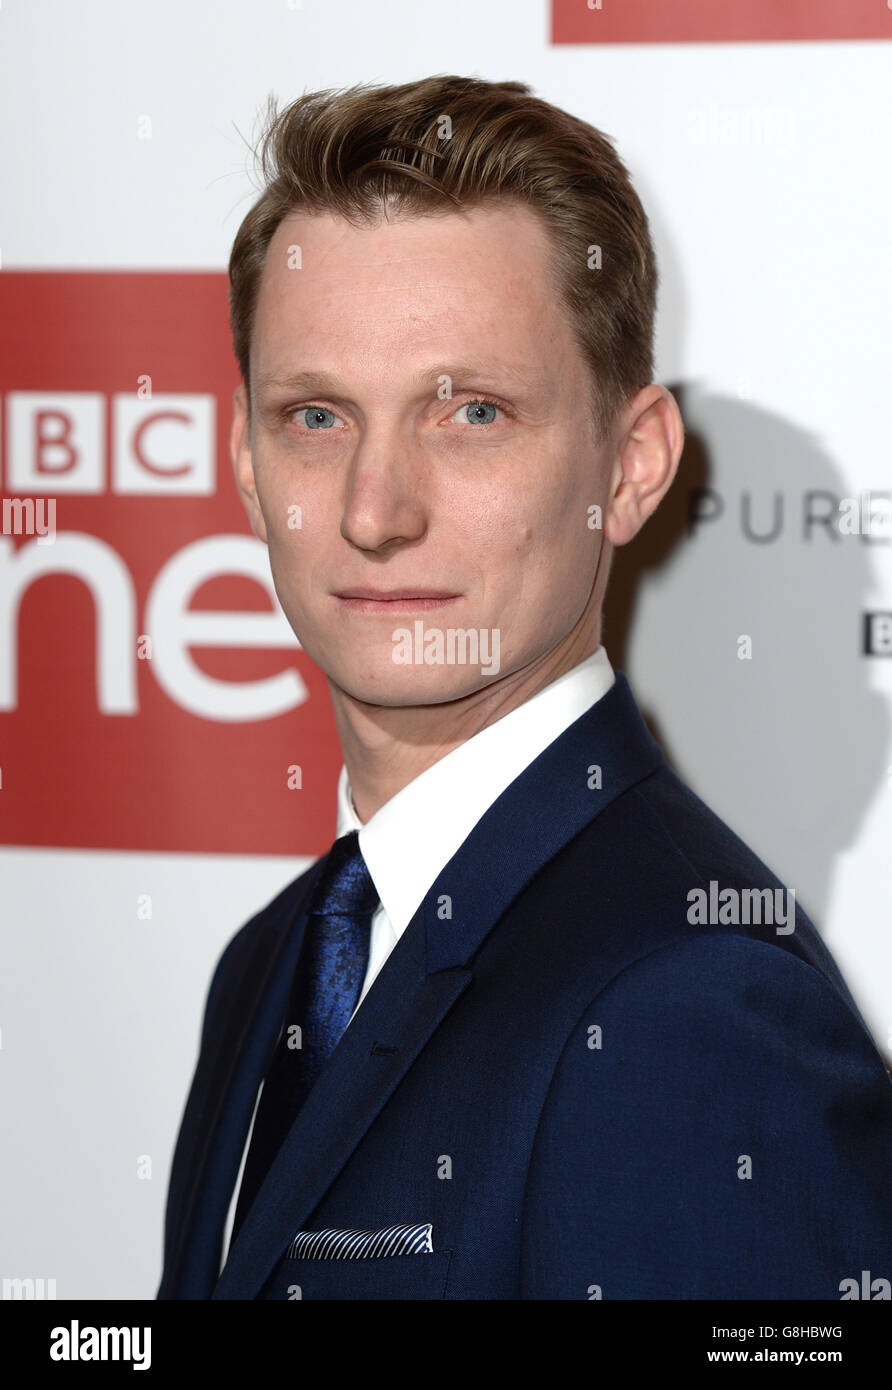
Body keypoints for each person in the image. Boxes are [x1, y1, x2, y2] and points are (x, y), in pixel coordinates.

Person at [157, 75, 892, 1300]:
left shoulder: (693, 1007)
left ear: (634, 461)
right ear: (244, 462)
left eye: (473, 413)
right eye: (317, 416)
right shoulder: (272, 961)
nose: (373, 512)